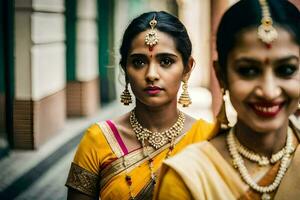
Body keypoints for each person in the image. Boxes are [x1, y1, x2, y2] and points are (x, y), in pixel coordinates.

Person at [155, 0, 300, 199]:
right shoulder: (189, 177)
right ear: (221, 76)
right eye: (248, 70)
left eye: (286, 70)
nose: (269, 91)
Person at [65, 11, 217, 200]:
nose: (151, 74)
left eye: (166, 61)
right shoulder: (97, 141)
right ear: (125, 70)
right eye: (139, 62)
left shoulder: (209, 139)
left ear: (187, 68)